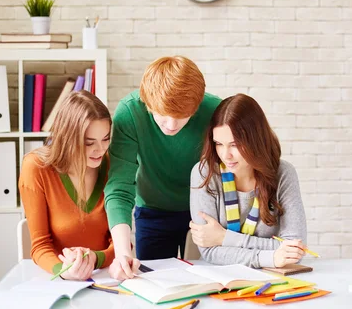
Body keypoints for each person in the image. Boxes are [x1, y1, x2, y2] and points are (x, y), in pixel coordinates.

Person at [105, 56, 220, 279]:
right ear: (147, 103)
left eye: (182, 116)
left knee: (208, 284)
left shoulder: (216, 111)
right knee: (154, 282)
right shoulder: (130, 113)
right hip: (152, 213)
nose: (171, 124)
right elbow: (120, 187)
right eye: (162, 115)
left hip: (205, 213)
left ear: (196, 107)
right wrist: (122, 253)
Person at [189, 94, 307, 268]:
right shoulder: (205, 173)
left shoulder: (283, 174)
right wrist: (270, 257)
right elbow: (209, 251)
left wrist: (224, 238)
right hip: (220, 278)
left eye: (235, 144)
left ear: (255, 140)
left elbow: (294, 250)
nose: (225, 155)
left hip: (270, 279)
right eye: (219, 144)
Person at [19, 91, 114, 280]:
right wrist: (65, 272)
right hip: (57, 280)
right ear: (68, 139)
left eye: (105, 139)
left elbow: (120, 243)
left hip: (104, 278)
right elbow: (39, 246)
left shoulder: (110, 164)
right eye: (89, 143)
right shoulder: (36, 168)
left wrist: (95, 258)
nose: (100, 150)